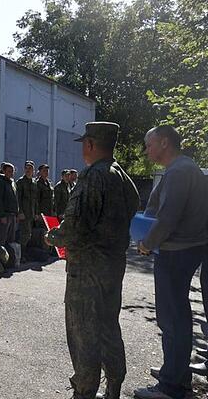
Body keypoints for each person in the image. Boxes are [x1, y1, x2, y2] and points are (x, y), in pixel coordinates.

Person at [45, 122, 139, 399]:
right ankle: (114, 385)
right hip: (113, 265)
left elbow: (75, 228)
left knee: (84, 330)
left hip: (87, 269)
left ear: (90, 144)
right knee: (109, 325)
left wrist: (52, 236)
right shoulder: (122, 176)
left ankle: (84, 390)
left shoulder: (92, 176)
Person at [134, 125, 208, 399]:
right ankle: (175, 372)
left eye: (149, 144)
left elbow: (167, 218)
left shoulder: (178, 172)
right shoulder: (188, 167)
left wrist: (146, 243)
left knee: (173, 318)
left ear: (164, 143)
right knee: (178, 316)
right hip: (188, 249)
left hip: (175, 252)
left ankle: (171, 386)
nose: (147, 149)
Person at [0, 163, 18, 246]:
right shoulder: (0, 183)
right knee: (2, 237)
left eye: (12, 171)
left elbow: (15, 199)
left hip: (12, 214)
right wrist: (1, 215)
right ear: (4, 171)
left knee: (11, 238)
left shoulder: (12, 183)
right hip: (5, 215)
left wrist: (16, 213)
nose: (11, 173)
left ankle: (8, 256)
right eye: (9, 171)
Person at [16, 161, 38, 247]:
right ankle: (21, 254)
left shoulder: (34, 182)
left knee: (29, 234)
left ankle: (25, 253)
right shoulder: (20, 182)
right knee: (24, 234)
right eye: (27, 168)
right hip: (24, 213)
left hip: (31, 212)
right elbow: (18, 198)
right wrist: (20, 212)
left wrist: (36, 212)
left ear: (33, 171)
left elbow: (35, 199)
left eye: (30, 168)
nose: (28, 170)